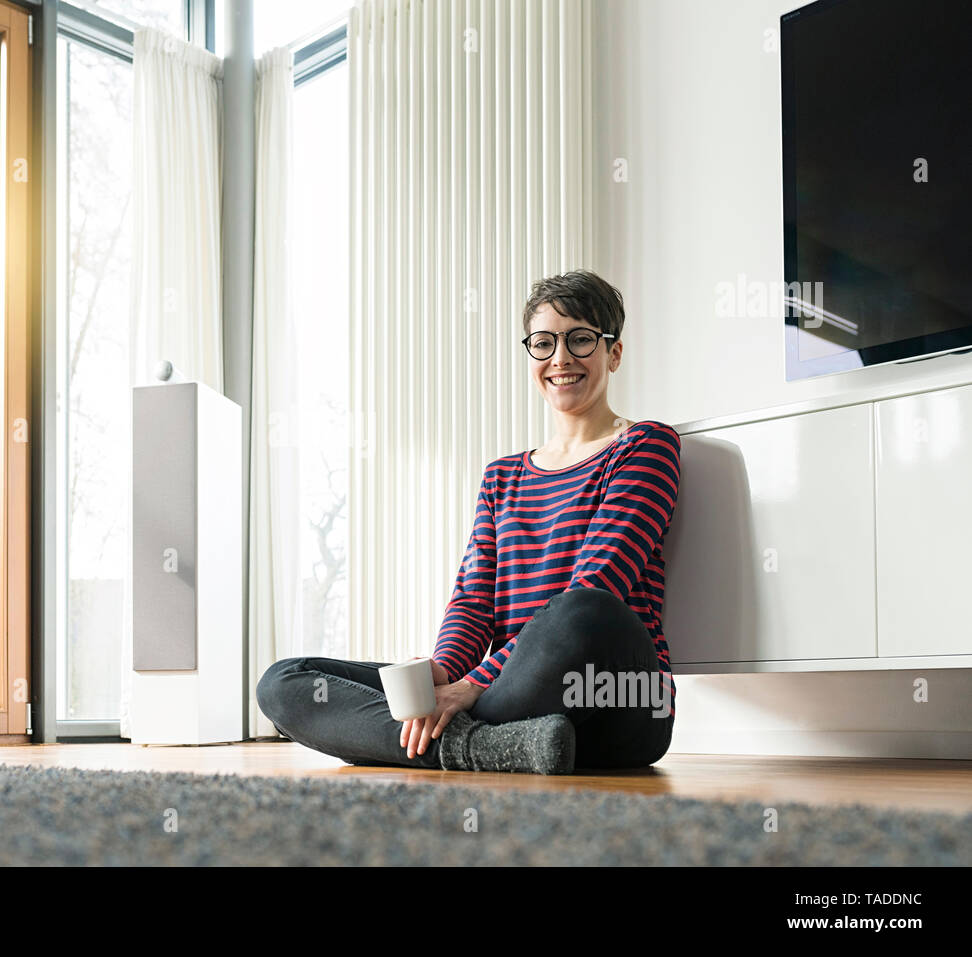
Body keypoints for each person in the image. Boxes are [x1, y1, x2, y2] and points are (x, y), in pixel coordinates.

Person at [256, 269, 682, 773]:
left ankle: (462, 744)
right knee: (285, 681)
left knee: (583, 609)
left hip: (616, 704)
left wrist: (471, 687)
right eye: (543, 343)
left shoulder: (644, 445)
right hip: (505, 694)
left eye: (581, 339)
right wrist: (440, 674)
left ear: (613, 353)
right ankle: (492, 748)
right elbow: (474, 601)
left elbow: (602, 581)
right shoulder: (502, 476)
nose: (560, 358)